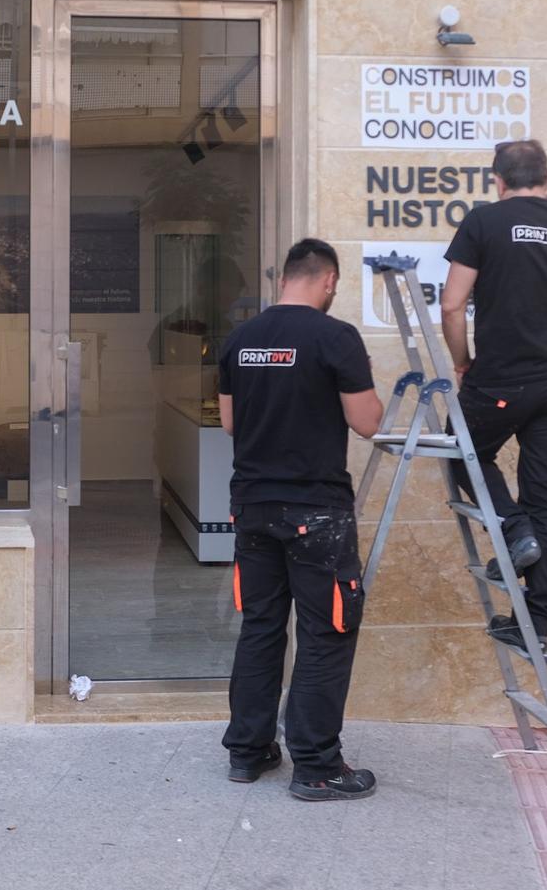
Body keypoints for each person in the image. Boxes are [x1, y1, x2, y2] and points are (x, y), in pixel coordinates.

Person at [217, 238, 384, 801]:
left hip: (253, 508)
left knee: (261, 627)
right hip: (316, 512)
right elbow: (366, 423)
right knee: (325, 631)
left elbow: (230, 423)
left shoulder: (241, 339)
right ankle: (316, 765)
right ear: (329, 281)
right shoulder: (335, 337)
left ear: (285, 278)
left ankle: (248, 750)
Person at [440, 139, 547, 658]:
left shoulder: (484, 223)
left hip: (501, 377)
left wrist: (462, 361)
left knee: (459, 449)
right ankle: (535, 622)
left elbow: (451, 304)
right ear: (545, 174)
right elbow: (546, 262)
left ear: (498, 179)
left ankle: (512, 528)